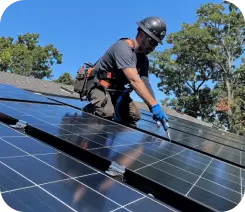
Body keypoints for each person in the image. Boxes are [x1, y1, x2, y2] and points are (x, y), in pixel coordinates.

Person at [82, 16, 169, 128]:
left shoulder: (143, 60)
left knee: (134, 116)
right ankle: (87, 113)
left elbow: (145, 83)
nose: (153, 48)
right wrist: (154, 106)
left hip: (115, 91)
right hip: (98, 86)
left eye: (156, 44)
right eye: (152, 42)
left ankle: (110, 124)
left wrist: (155, 106)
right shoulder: (122, 47)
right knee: (106, 112)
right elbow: (134, 80)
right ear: (142, 34)